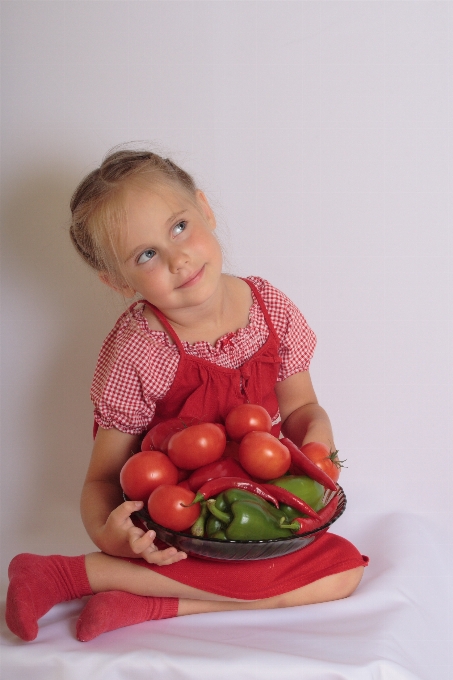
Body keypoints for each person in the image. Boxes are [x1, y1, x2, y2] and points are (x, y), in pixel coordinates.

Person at [5, 148, 368, 643]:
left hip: (257, 513)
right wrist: (115, 538)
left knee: (346, 571)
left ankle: (143, 599)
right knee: (314, 575)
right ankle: (73, 572)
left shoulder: (271, 309)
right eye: (146, 255)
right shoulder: (139, 348)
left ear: (205, 209)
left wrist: (317, 451)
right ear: (116, 280)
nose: (177, 258)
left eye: (178, 227)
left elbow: (304, 408)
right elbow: (104, 479)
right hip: (180, 529)